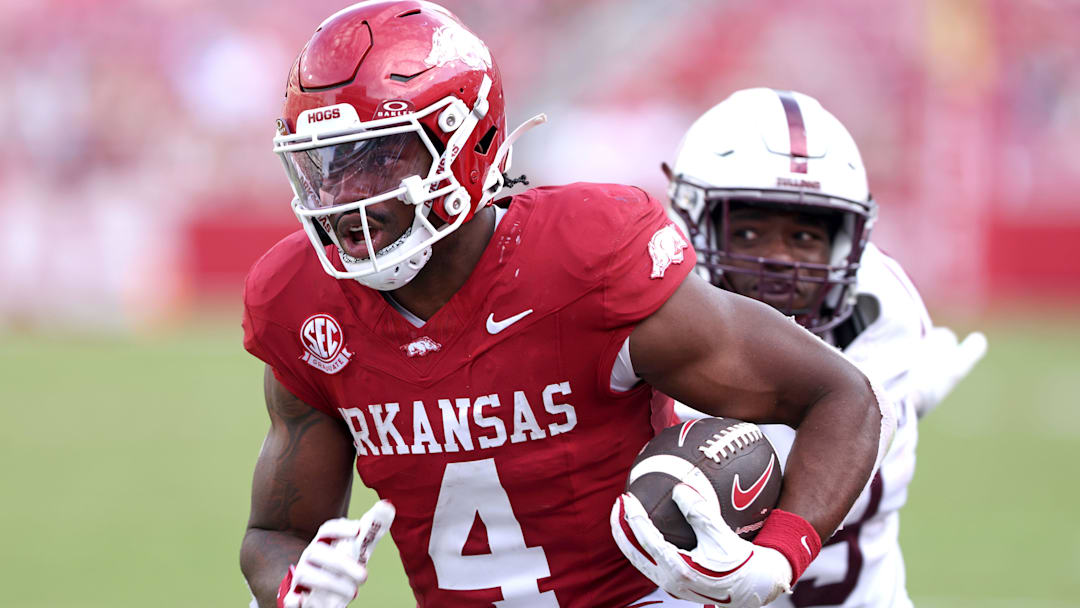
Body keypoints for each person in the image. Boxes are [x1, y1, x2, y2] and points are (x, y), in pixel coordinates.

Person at [239, 4, 894, 607]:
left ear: (466, 143)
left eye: (380, 158)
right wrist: (293, 591)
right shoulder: (303, 304)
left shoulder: (583, 258)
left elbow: (841, 397)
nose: (348, 199)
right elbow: (275, 532)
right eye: (327, 163)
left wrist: (777, 561)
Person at [664, 87, 988, 607]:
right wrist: (894, 408)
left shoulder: (880, 310)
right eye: (748, 233)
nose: (780, 261)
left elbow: (793, 453)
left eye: (805, 238)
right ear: (688, 215)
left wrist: (888, 407)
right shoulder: (649, 304)